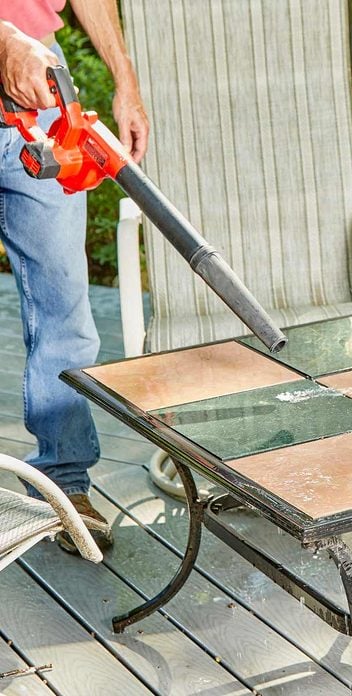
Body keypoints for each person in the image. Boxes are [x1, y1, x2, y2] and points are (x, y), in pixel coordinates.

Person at [0, 1, 149, 553]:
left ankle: (62, 484)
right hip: (14, 54)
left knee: (64, 306)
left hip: (36, 80)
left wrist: (124, 80)